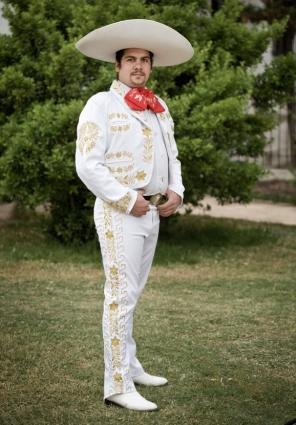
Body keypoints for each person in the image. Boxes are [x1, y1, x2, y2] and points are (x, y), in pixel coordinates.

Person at [75, 19, 193, 411]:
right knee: (119, 298)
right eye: (131, 60)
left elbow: (172, 154)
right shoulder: (101, 104)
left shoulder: (159, 107)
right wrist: (128, 200)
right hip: (119, 211)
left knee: (133, 295)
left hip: (153, 210)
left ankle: (131, 364)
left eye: (145, 60)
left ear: (151, 66)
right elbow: (88, 165)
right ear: (118, 66)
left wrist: (176, 189)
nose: (138, 66)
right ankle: (117, 385)